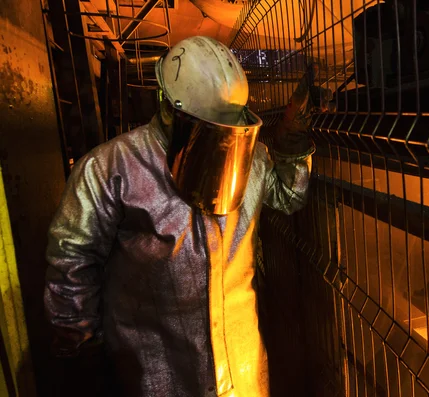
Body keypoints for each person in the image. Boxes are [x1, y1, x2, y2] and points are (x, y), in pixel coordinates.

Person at [44, 36, 324, 397]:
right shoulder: (111, 168)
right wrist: (83, 345)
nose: (220, 137)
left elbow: (287, 196)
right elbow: (72, 258)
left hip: (240, 365)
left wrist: (292, 141)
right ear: (170, 110)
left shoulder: (250, 160)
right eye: (208, 127)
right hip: (155, 371)